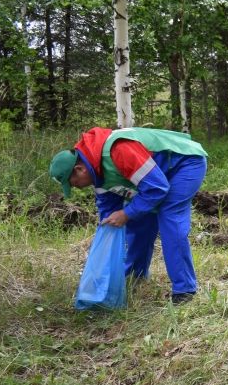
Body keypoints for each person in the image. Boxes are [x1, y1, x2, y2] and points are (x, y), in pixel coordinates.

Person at [49, 127, 208, 304]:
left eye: (73, 183)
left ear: (79, 169)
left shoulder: (118, 151)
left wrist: (126, 213)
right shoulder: (95, 172)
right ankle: (135, 276)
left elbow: (157, 188)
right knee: (139, 219)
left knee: (169, 217)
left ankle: (185, 290)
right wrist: (109, 227)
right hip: (157, 177)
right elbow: (109, 211)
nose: (76, 187)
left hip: (184, 163)